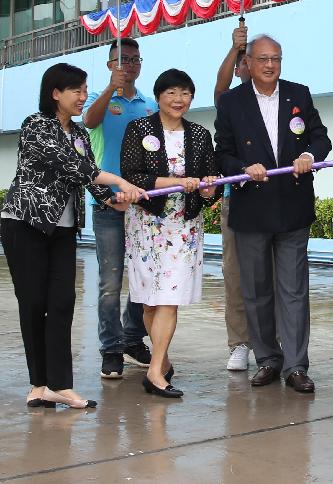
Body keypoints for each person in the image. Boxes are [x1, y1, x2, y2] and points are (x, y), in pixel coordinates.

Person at [1, 63, 145, 409]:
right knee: (34, 304)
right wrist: (118, 180)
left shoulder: (80, 134)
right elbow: (77, 168)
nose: (83, 97)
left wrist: (114, 200)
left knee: (62, 302)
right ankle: (39, 385)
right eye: (76, 91)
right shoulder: (36, 125)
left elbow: (87, 181)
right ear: (55, 93)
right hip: (25, 223)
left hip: (62, 229)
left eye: (84, 90)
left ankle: (61, 385)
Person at [215, 34, 332, 393]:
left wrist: (310, 157)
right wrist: (242, 168)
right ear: (247, 62)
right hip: (252, 208)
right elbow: (223, 154)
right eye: (263, 59)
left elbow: (321, 138)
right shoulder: (232, 102)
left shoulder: (299, 93)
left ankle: (296, 366)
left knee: (294, 290)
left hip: (292, 207)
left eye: (276, 59)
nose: (270, 65)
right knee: (256, 290)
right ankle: (268, 358)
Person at [120, 69, 220, 398]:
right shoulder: (139, 129)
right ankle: (162, 362)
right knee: (151, 299)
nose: (179, 100)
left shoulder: (200, 134)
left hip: (184, 225)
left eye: (186, 93)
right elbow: (133, 175)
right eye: (172, 93)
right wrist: (176, 182)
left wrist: (207, 189)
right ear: (159, 96)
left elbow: (211, 181)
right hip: (146, 224)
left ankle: (154, 370)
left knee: (169, 298)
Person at [83, 38, 157, 379]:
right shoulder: (101, 101)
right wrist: (110, 89)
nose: (128, 64)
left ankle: (131, 338)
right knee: (110, 284)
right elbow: (88, 121)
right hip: (109, 205)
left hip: (142, 206)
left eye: (134, 59)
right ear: (110, 62)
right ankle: (110, 349)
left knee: (143, 281)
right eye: (121, 58)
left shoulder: (148, 105)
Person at [214, 25, 252, 371]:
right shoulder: (230, 103)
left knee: (272, 275)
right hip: (236, 199)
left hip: (275, 200)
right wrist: (234, 48)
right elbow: (220, 87)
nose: (249, 66)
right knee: (236, 274)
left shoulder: (283, 97)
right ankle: (239, 343)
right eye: (242, 62)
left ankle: (272, 341)